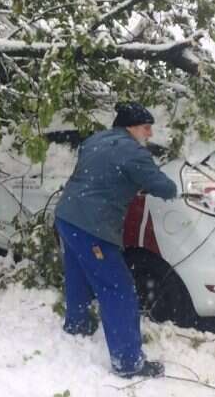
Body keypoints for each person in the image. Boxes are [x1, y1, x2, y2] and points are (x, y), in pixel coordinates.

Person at [54, 101, 177, 379]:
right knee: (118, 290)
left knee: (77, 274)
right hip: (92, 228)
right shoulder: (133, 152)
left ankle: (77, 324)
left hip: (66, 216)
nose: (149, 134)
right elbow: (163, 186)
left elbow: (103, 173)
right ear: (131, 127)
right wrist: (176, 191)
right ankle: (128, 362)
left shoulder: (96, 139)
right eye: (146, 128)